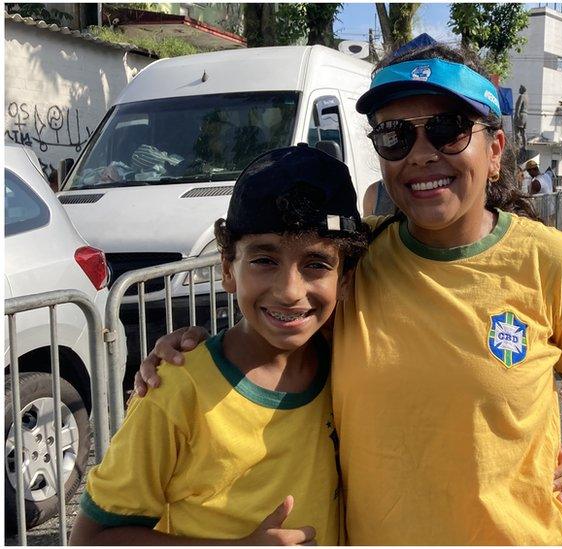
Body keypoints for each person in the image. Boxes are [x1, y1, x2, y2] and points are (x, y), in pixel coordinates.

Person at [134, 38, 562, 545]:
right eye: (395, 135)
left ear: (494, 149)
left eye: (447, 130)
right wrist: (189, 348)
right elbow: (279, 321)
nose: (420, 155)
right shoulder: (355, 262)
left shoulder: (555, 264)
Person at [70, 145, 368, 545]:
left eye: (316, 264)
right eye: (265, 260)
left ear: (345, 279)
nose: (289, 291)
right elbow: (91, 539)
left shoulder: (346, 366)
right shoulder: (174, 389)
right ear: (228, 268)